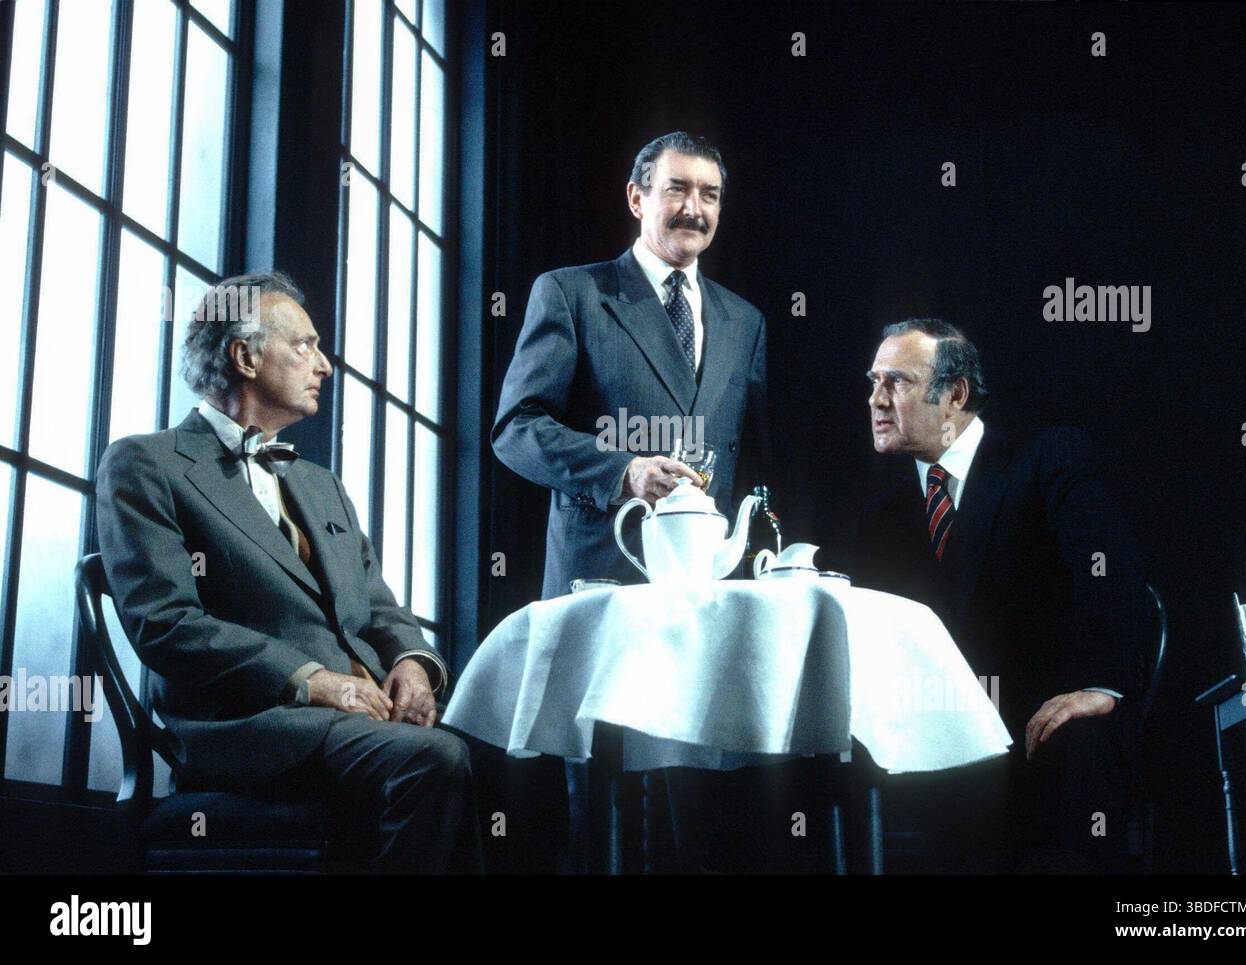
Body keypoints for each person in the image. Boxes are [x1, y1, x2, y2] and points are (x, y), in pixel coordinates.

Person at [95, 271, 479, 874]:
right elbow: (166, 624)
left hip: (363, 722)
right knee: (436, 759)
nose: (324, 365)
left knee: (507, 764)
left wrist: (413, 666)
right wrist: (315, 681)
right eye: (305, 345)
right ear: (245, 357)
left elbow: (380, 609)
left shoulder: (322, 485)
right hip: (254, 728)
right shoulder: (145, 464)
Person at [853, 317, 1149, 872]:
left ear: (955, 394)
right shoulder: (879, 518)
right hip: (933, 745)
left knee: (1078, 751)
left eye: (898, 382)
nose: (877, 400)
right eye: (874, 382)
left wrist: (1101, 686)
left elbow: (1111, 573)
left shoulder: (1047, 458)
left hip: (1038, 732)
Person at [492, 131, 769, 599]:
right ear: (636, 198)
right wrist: (623, 472)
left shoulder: (745, 322)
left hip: (708, 596)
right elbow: (516, 429)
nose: (694, 209)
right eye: (677, 188)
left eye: (710, 194)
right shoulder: (571, 294)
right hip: (601, 585)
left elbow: (752, 466)